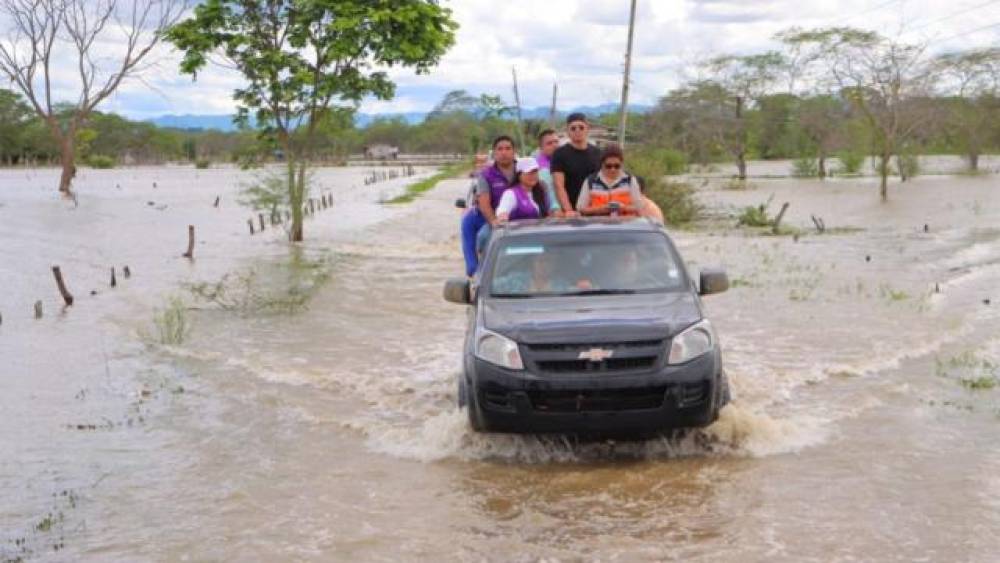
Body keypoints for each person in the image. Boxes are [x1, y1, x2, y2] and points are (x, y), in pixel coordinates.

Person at [459, 136, 517, 276]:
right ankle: (478, 277)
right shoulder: (486, 175)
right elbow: (484, 204)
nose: (504, 152)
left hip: (516, 217)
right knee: (483, 238)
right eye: (500, 149)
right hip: (485, 218)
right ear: (495, 153)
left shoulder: (523, 170)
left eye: (508, 148)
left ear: (514, 151)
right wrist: (494, 222)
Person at [550, 112, 601, 214]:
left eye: (581, 127)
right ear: (568, 132)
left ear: (587, 129)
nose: (577, 130)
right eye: (573, 128)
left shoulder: (598, 153)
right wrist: (568, 210)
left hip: (596, 208)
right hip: (571, 210)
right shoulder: (559, 154)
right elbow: (559, 185)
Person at [576, 144, 645, 217]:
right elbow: (581, 208)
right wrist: (600, 209)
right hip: (598, 225)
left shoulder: (630, 180)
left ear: (622, 164)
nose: (613, 169)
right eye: (608, 166)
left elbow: (639, 207)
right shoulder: (591, 181)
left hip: (625, 225)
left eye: (617, 166)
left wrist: (623, 208)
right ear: (602, 164)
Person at [496, 157, 554, 223]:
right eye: (529, 173)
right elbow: (503, 210)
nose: (533, 176)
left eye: (535, 172)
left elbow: (548, 214)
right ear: (519, 175)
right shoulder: (511, 194)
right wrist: (502, 216)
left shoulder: (541, 190)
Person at [533, 129, 562, 216]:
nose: (555, 145)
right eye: (549, 143)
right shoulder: (536, 168)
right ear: (541, 148)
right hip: (548, 214)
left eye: (556, 142)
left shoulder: (565, 160)